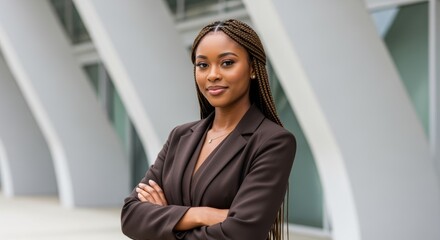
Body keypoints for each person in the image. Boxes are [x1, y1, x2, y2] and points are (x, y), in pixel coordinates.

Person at [121, 19, 296, 240]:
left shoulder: (273, 142)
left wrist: (165, 219)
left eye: (227, 63)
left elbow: (242, 233)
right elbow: (130, 216)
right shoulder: (180, 136)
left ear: (252, 68)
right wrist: (201, 215)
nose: (212, 74)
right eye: (203, 65)